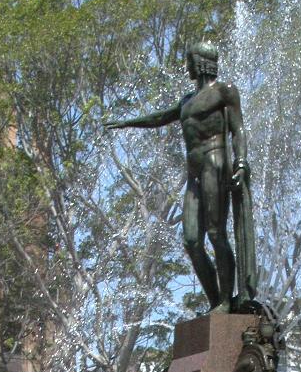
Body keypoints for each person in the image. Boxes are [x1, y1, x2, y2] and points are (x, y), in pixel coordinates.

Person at [104, 41, 257, 313]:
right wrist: (128, 122)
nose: (185, 66)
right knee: (191, 240)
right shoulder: (186, 102)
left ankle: (225, 300)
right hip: (194, 171)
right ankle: (215, 302)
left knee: (215, 233)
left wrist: (241, 162)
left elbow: (239, 130)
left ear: (199, 62)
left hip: (215, 163)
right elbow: (160, 117)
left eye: (188, 60)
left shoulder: (224, 92)